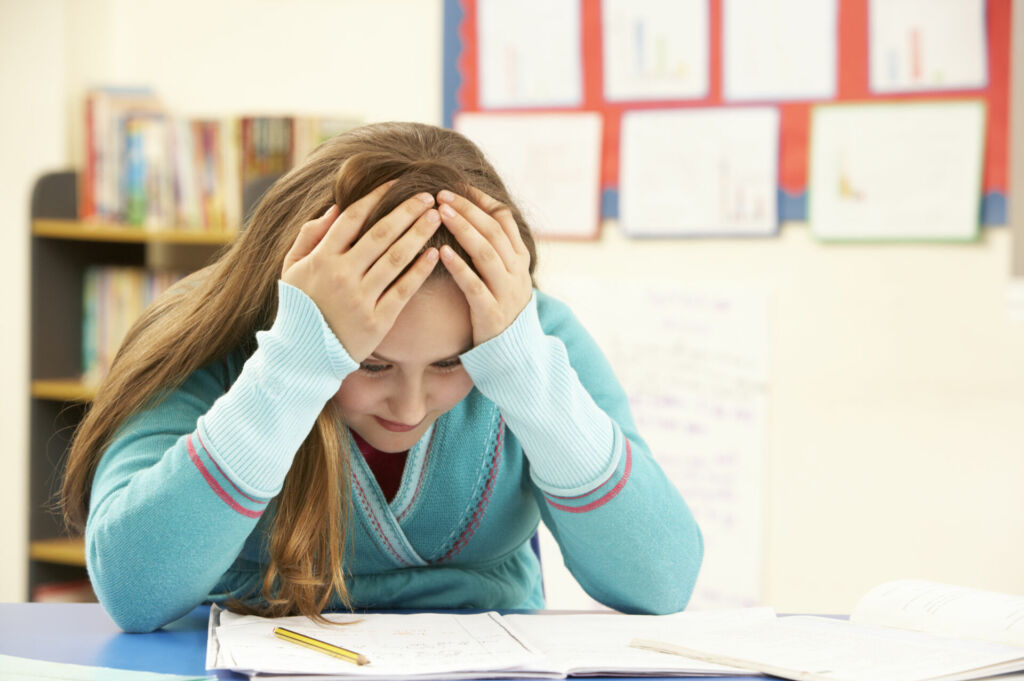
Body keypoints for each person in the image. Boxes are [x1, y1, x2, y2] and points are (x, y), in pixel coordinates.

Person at [61, 122, 703, 633]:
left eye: (452, 362)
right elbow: (131, 590)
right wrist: (295, 365)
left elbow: (661, 581)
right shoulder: (209, 340)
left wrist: (523, 370)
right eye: (371, 364)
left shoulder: (534, 342)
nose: (412, 404)